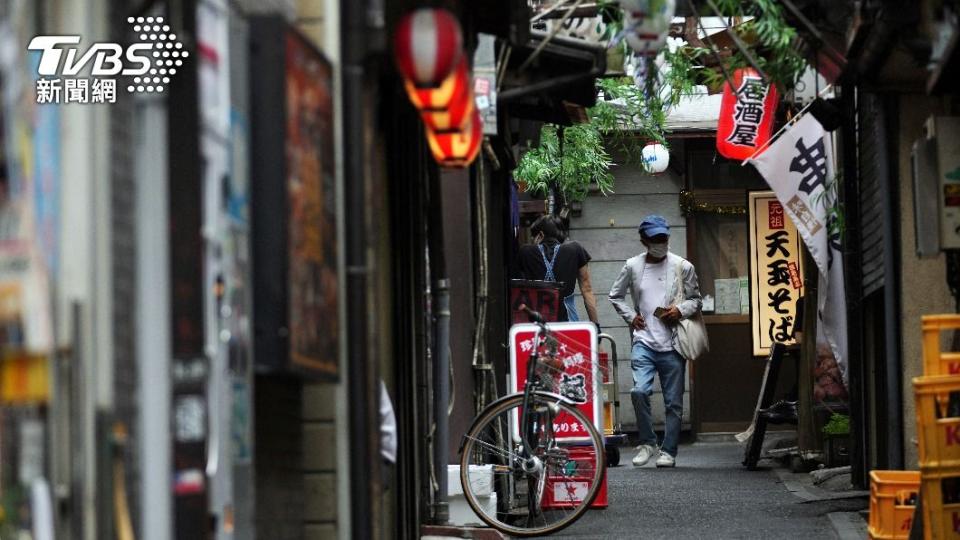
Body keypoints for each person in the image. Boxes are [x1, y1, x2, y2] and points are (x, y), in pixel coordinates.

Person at [609, 215, 702, 468]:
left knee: (673, 402)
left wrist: (680, 310)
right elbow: (615, 296)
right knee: (639, 391)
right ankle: (648, 442)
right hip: (644, 341)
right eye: (655, 239)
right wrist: (631, 317)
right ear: (644, 240)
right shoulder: (632, 266)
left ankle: (668, 451)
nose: (661, 242)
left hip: (673, 344)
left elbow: (696, 300)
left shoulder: (683, 266)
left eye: (664, 238)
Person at [517, 214, 599, 325]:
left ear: (540, 235)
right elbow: (587, 290)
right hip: (569, 322)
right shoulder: (576, 250)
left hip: (536, 323)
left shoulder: (525, 253)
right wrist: (596, 328)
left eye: (533, 236)